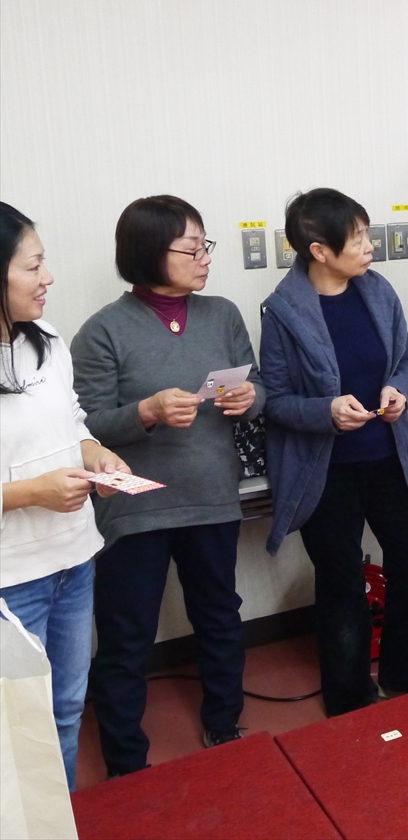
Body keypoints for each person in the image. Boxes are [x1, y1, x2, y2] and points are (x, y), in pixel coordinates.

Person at [71, 196, 263, 776]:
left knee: (220, 615)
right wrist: (147, 412)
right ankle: (126, 760)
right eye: (192, 248)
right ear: (151, 252)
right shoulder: (102, 331)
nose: (205, 258)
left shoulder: (222, 314)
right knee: (127, 635)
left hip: (211, 494)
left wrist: (250, 397)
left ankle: (224, 723)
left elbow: (258, 388)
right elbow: (84, 425)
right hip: (136, 504)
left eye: (206, 246)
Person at [259, 188, 408, 717]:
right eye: (356, 238)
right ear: (319, 250)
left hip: (386, 456)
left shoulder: (377, 291)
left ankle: (405, 674)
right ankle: (349, 697)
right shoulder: (283, 311)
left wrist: (396, 389)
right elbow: (275, 400)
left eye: (366, 233)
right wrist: (327, 412)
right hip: (326, 470)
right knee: (341, 583)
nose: (368, 246)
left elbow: (404, 359)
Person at [0, 203, 128, 790]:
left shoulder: (47, 341)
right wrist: (33, 492)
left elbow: (72, 423)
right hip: (11, 580)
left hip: (73, 559)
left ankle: (62, 820)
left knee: (66, 709)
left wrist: (95, 453)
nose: (47, 277)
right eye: (33, 266)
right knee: (16, 729)